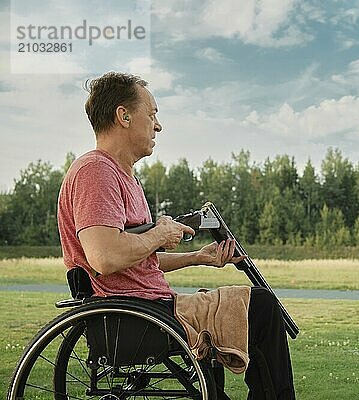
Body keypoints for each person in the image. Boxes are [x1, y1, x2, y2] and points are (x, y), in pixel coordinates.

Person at [57, 71, 295, 400]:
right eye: (152, 114)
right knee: (264, 307)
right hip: (136, 319)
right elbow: (106, 256)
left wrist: (198, 257)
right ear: (123, 116)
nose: (158, 125)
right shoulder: (96, 171)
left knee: (236, 306)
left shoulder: (122, 175)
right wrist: (160, 233)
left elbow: (134, 259)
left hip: (151, 309)